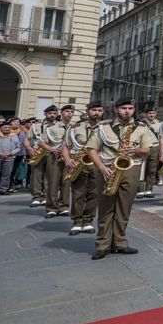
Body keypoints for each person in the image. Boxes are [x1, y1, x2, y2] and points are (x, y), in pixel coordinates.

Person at [87, 97, 157, 259]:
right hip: (108, 169)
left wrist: (135, 150)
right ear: (116, 109)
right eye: (123, 108)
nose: (127, 111)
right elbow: (91, 149)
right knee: (105, 208)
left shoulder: (141, 128)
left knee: (124, 208)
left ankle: (120, 243)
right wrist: (101, 167)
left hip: (131, 168)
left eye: (130, 108)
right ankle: (103, 245)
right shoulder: (103, 128)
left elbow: (147, 150)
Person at [62, 101, 103, 235]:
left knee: (94, 194)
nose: (96, 113)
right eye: (94, 110)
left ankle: (88, 221)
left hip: (97, 163)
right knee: (78, 193)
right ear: (87, 111)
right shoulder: (76, 127)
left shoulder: (105, 128)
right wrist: (67, 159)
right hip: (79, 161)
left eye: (99, 110)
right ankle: (77, 222)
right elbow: (66, 146)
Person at [43, 105, 76, 218]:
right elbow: (41, 142)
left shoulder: (76, 127)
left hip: (70, 157)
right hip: (55, 157)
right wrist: (51, 149)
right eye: (67, 111)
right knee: (53, 183)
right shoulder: (53, 127)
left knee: (66, 183)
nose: (69, 113)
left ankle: (63, 206)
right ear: (61, 113)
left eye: (72, 111)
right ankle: (51, 208)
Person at [25, 105, 59, 208]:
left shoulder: (59, 126)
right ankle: (36, 197)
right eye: (50, 113)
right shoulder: (36, 126)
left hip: (52, 153)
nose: (52, 115)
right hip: (38, 153)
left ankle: (45, 196)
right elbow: (26, 139)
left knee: (49, 176)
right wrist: (29, 148)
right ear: (45, 114)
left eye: (54, 113)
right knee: (36, 176)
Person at [137, 105, 162, 199]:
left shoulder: (160, 124)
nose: (151, 115)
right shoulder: (140, 124)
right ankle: (140, 190)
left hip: (155, 147)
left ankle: (149, 190)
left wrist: (161, 151)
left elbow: (161, 138)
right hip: (144, 147)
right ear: (146, 114)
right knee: (141, 169)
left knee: (152, 169)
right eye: (150, 113)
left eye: (153, 113)